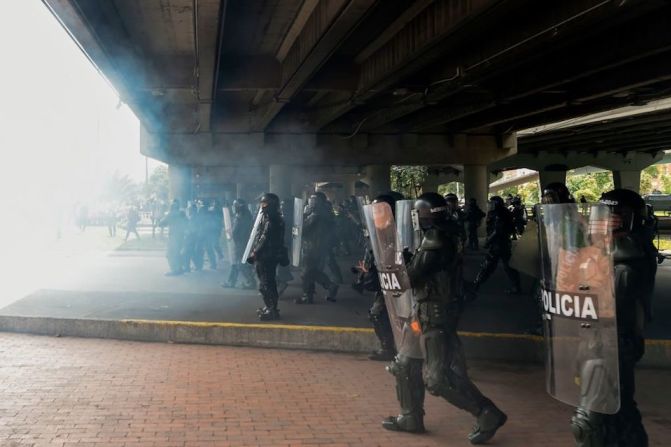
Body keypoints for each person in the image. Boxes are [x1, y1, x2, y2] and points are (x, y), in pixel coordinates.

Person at [383, 193, 507, 444]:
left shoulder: (436, 239)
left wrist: (392, 267)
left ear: (426, 214)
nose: (415, 218)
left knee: (437, 379)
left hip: (435, 315)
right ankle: (411, 416)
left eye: (417, 213)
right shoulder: (447, 232)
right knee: (405, 365)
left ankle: (487, 413)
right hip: (425, 310)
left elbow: (412, 277)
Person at [569, 189, 656, 447]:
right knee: (622, 416)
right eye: (602, 217)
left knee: (587, 426)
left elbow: (622, 256)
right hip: (599, 341)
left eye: (615, 219)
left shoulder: (633, 256)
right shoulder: (602, 254)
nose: (605, 224)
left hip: (612, 346)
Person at [470, 196, 521, 295]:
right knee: (507, 265)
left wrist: (488, 241)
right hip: (503, 242)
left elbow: (497, 230)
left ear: (496, 204)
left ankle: (476, 284)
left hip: (498, 243)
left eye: (492, 203)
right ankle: (516, 286)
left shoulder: (498, 213)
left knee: (488, 265)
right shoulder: (504, 212)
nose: (490, 205)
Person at [247, 193, 286, 321]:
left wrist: (255, 252)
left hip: (266, 255)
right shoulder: (273, 217)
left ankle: (272, 310)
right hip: (269, 255)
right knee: (269, 282)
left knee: (265, 284)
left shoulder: (271, 219)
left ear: (271, 205)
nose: (262, 206)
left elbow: (264, 238)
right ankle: (270, 307)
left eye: (264, 204)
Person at [297, 192, 339, 304]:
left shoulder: (315, 215)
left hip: (312, 247)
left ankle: (329, 286)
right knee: (310, 271)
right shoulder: (326, 212)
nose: (311, 202)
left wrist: (305, 214)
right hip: (320, 247)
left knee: (306, 272)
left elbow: (303, 229)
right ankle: (309, 296)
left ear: (318, 201)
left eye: (313, 200)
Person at [223, 199, 255, 289]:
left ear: (239, 206)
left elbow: (236, 232)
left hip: (241, 243)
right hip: (242, 243)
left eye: (235, 205)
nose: (233, 207)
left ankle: (251, 282)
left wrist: (230, 232)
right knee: (236, 263)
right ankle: (231, 281)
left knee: (240, 263)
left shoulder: (241, 217)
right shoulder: (246, 215)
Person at [159, 200, 188, 276]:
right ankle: (180, 268)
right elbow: (187, 223)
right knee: (178, 252)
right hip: (181, 236)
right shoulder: (182, 214)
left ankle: (175, 270)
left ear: (171, 208)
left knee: (170, 254)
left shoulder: (171, 214)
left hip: (173, 236)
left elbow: (161, 223)